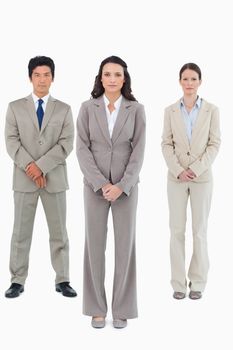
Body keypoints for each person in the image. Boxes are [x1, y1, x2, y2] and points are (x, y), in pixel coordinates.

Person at [76, 56, 146, 328]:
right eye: (108, 74)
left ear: (124, 78)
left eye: (118, 74)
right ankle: (96, 308)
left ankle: (122, 309)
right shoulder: (87, 108)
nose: (113, 79)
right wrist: (101, 184)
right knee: (94, 247)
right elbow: (82, 148)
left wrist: (122, 185)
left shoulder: (136, 109)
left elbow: (139, 152)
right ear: (101, 78)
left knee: (125, 247)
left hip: (126, 190)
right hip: (94, 188)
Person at [5, 56, 77, 298]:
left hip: (54, 180)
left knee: (59, 233)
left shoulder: (64, 109)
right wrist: (31, 168)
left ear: (53, 78)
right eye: (37, 75)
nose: (42, 79)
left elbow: (66, 144)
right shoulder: (14, 107)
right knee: (20, 232)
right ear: (30, 78)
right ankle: (17, 279)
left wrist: (41, 167)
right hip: (24, 180)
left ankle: (63, 279)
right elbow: (11, 141)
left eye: (46, 75)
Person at [161, 63, 221, 300]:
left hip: (202, 178)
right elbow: (166, 143)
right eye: (185, 79)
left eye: (193, 79)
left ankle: (197, 282)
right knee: (176, 230)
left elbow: (214, 143)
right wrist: (178, 169)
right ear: (180, 82)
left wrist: (195, 169)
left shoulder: (212, 110)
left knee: (199, 231)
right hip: (175, 178)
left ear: (200, 82)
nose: (189, 83)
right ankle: (178, 284)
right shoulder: (170, 111)